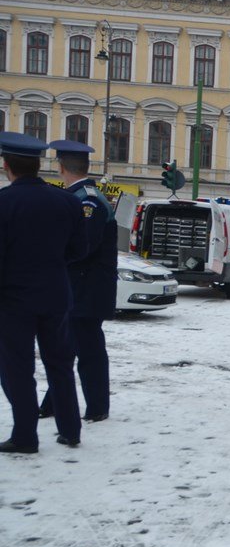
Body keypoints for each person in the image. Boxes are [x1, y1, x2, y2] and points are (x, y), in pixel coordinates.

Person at [0, 132, 88, 454]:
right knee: (60, 364)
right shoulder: (67, 201)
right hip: (55, 294)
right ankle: (70, 430)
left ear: (7, 165)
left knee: (17, 369)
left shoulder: (4, 203)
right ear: (39, 165)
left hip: (13, 301)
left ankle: (25, 436)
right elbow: (80, 250)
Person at [37, 140, 117, 424]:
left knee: (88, 350)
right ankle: (53, 403)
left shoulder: (88, 200)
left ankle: (97, 406)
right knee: (67, 347)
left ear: (60, 167)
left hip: (86, 289)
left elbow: (84, 246)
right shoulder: (79, 196)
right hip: (80, 288)